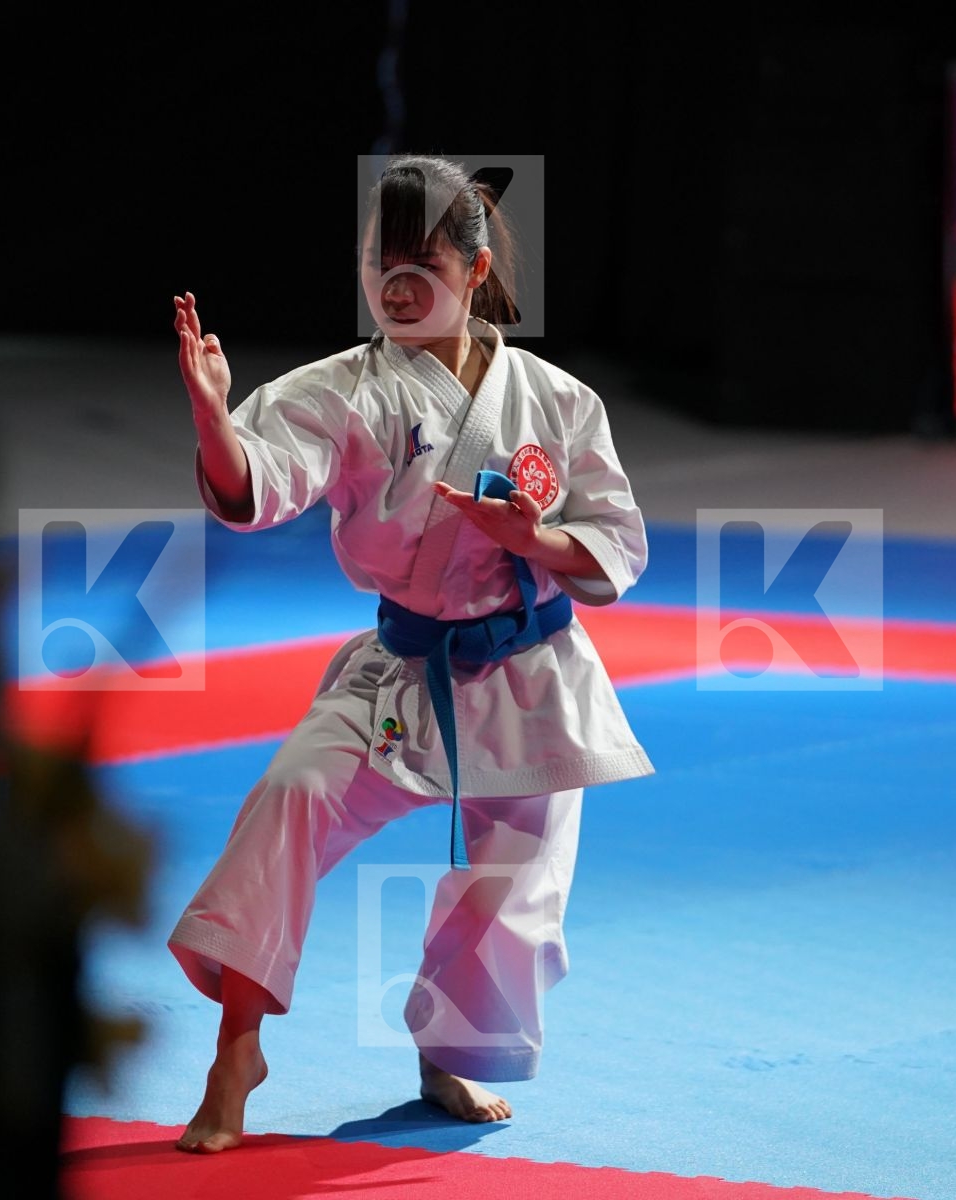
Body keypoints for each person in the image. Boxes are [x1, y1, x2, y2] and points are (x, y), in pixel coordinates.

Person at [166, 155, 653, 1154]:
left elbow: (614, 547)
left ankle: (450, 1055)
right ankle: (235, 1052)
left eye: (419, 263)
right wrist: (216, 421)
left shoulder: (559, 402)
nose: (394, 285)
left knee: (513, 896)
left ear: (474, 273)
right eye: (379, 263)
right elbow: (258, 486)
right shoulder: (342, 391)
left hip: (529, 677)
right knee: (292, 798)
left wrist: (535, 542)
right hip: (399, 672)